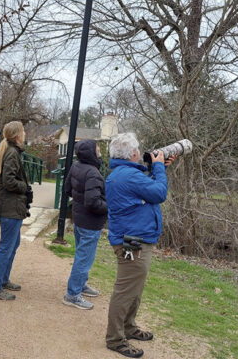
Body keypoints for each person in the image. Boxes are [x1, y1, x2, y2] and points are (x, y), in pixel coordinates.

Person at [104, 133, 176, 358]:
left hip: (134, 239)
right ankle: (115, 339)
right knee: (126, 290)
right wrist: (159, 169)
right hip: (132, 241)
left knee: (134, 288)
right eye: (138, 150)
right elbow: (159, 193)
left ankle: (128, 326)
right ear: (133, 153)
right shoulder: (128, 176)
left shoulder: (125, 174)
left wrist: (158, 167)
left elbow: (148, 188)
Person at [0, 121, 31, 301]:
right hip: (9, 207)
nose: (25, 133)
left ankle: (3, 280)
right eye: (23, 131)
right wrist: (25, 187)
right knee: (6, 247)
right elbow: (9, 181)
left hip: (9, 205)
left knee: (12, 244)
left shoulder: (10, 150)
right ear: (18, 135)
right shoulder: (12, 152)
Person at [62, 139, 107, 310]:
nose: (99, 150)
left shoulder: (76, 166)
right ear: (91, 152)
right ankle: (72, 294)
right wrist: (109, 207)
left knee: (82, 255)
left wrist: (79, 200)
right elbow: (93, 202)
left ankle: (81, 284)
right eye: (97, 148)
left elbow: (67, 190)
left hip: (79, 218)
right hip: (90, 222)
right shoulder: (93, 173)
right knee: (84, 259)